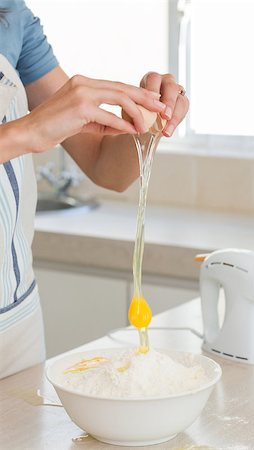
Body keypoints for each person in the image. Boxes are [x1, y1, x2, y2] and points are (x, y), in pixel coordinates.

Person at [0, 0, 189, 379]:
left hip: (16, 323)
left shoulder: (11, 16)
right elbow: (35, 130)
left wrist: (148, 121)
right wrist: (29, 131)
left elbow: (107, 167)